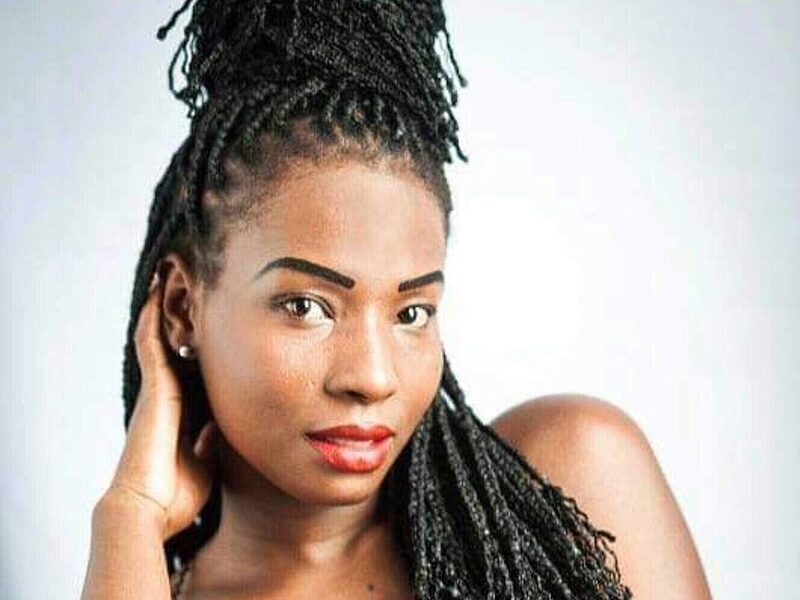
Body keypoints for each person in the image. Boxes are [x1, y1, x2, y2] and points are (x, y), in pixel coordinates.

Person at [81, 1, 712, 598]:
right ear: (182, 309)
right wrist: (130, 515)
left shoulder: (570, 472)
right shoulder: (142, 581)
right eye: (307, 306)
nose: (373, 378)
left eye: (411, 314)